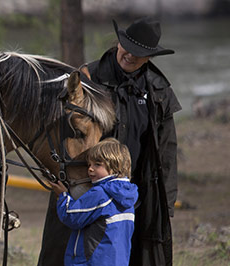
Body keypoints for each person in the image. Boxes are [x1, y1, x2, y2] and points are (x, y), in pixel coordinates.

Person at [38, 17, 182, 266]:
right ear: (118, 42)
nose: (130, 56)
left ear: (149, 57)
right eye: (127, 48)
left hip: (135, 192)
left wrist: (165, 203)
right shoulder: (88, 77)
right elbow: (62, 128)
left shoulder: (159, 90)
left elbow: (167, 149)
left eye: (139, 53)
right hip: (83, 188)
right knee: (66, 251)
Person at [49, 138, 138, 266]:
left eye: (97, 164)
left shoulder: (101, 193)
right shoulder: (128, 196)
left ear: (115, 166)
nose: (90, 169)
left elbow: (72, 216)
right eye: (89, 164)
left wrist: (63, 196)